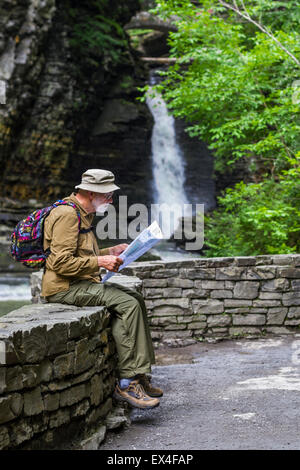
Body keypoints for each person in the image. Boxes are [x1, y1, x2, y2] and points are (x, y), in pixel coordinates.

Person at [42, 169, 163, 410]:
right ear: (89, 192)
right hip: (64, 288)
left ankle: (139, 375)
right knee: (127, 304)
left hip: (82, 282)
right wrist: (100, 262)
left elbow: (82, 255)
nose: (110, 200)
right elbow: (58, 263)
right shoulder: (67, 215)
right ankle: (128, 382)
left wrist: (110, 252)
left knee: (134, 298)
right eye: (107, 195)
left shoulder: (82, 213)